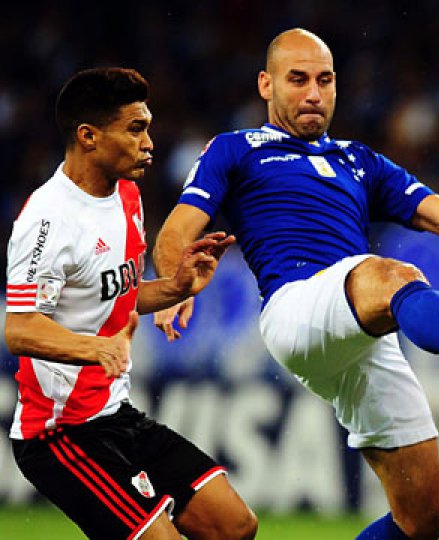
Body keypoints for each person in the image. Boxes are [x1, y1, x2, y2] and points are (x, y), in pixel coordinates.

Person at [152, 28, 439, 539]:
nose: (313, 93)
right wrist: (172, 283)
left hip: (360, 327)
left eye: (324, 80)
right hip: (296, 307)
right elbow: (176, 231)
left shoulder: (360, 161)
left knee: (424, 519)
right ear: (266, 85)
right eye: (298, 80)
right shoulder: (236, 149)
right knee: (392, 273)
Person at [4, 68, 257, 540]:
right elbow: (19, 328)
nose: (149, 144)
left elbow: (119, 294)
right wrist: (95, 348)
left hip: (115, 415)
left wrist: (178, 287)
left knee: (234, 525)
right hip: (57, 434)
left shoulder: (128, 196)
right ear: (88, 136)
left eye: (148, 128)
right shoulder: (47, 220)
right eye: (135, 129)